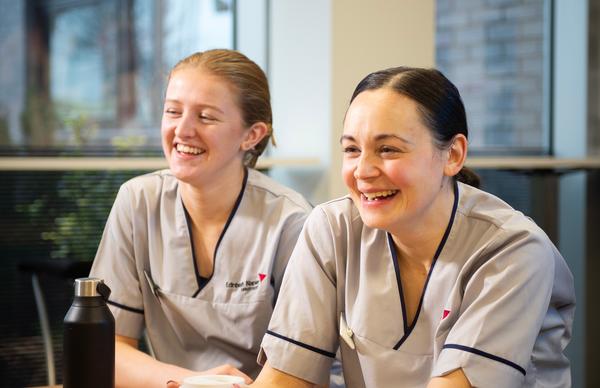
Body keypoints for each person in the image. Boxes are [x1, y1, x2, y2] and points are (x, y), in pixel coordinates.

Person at [249, 67, 575, 387]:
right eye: (351, 149)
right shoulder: (333, 229)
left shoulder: (513, 250)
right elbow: (287, 376)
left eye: (388, 149)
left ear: (453, 155)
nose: (363, 170)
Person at [89, 49, 312, 388]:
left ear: (251, 135)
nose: (183, 130)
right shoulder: (138, 201)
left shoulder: (291, 222)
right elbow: (107, 350)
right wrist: (195, 383)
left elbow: (303, 368)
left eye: (206, 117)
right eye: (172, 111)